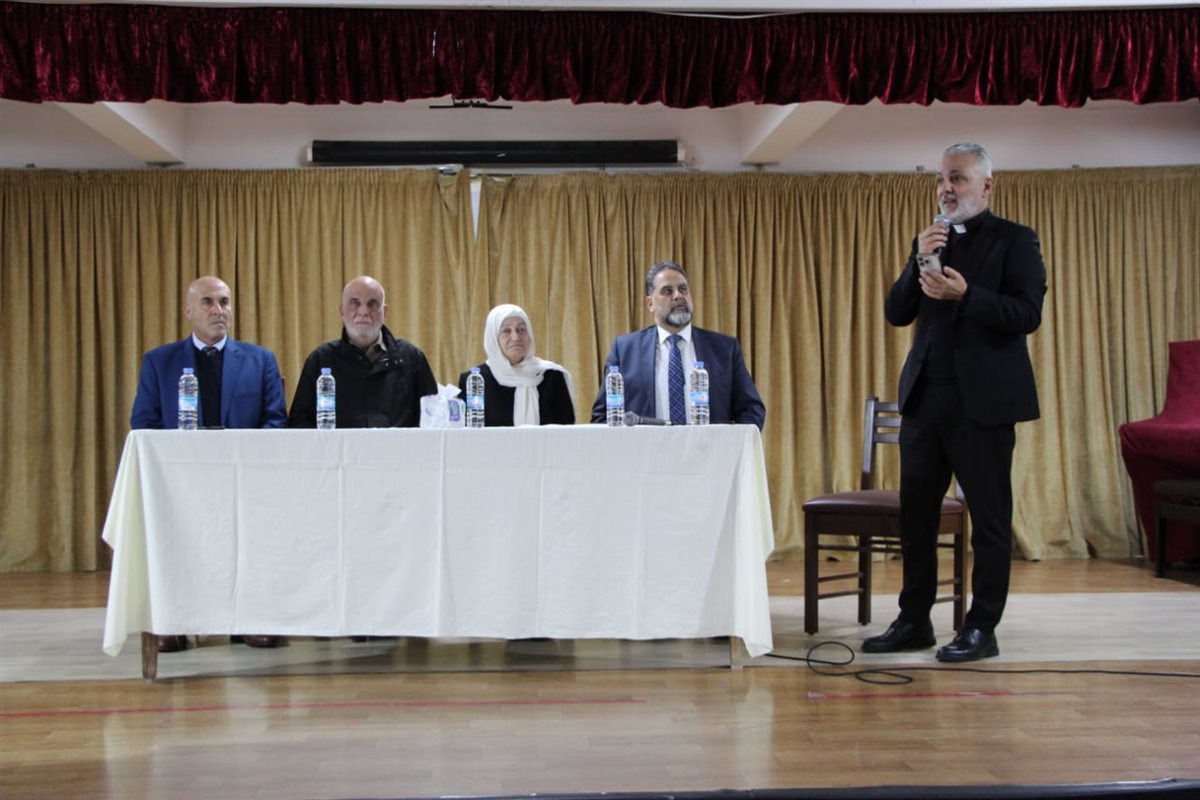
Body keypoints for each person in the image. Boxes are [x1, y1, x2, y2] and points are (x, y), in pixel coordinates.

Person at [863, 143, 1047, 663]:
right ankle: (914, 620)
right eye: (942, 179)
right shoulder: (931, 240)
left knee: (989, 520)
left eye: (958, 178)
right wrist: (917, 258)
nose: (946, 188)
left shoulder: (1016, 240)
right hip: (925, 400)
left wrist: (967, 296)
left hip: (982, 405)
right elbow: (897, 312)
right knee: (916, 519)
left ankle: (981, 627)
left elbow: (1027, 314)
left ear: (986, 186)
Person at [130, 275, 287, 651]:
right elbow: (144, 423)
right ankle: (173, 621)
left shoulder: (260, 360)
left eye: (224, 302)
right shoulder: (160, 362)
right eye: (208, 302)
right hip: (180, 481)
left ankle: (250, 618)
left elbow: (275, 420)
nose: (219, 310)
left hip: (244, 479)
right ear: (188, 311)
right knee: (174, 539)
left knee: (254, 539)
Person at [590, 260, 765, 429]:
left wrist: (731, 444)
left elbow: (751, 410)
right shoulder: (625, 350)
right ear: (650, 303)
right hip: (645, 448)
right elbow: (602, 417)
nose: (678, 296)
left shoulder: (724, 349)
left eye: (683, 289)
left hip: (708, 448)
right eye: (667, 291)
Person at [288, 275, 438, 429]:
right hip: (339, 445)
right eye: (355, 303)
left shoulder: (411, 358)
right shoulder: (321, 360)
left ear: (385, 312)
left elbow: (434, 418)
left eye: (372, 304)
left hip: (399, 445)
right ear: (342, 311)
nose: (363, 311)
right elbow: (299, 423)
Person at [458, 303, 576, 426]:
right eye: (506, 331)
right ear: (493, 338)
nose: (515, 337)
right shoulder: (474, 381)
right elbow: (468, 432)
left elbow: (566, 430)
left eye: (521, 329)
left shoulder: (552, 376)